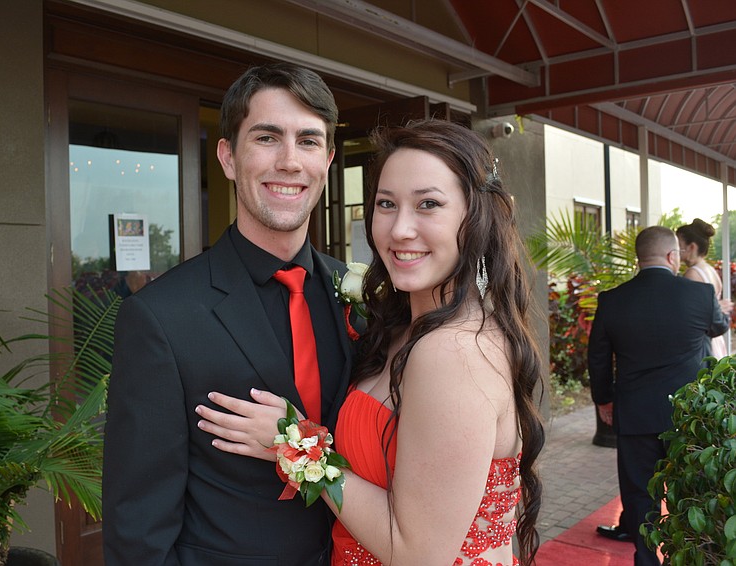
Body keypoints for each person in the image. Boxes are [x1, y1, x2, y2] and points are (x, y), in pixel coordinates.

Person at [198, 120, 545, 565]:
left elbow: (417, 555)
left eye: (428, 205)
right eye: (386, 204)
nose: (400, 229)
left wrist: (293, 445)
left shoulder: (453, 353)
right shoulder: (403, 328)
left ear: (475, 218)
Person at [103, 62, 362, 565]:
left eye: (308, 141)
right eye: (267, 137)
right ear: (227, 156)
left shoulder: (358, 296)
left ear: (327, 160)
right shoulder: (160, 317)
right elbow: (138, 525)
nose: (290, 161)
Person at [588, 225, 729, 566]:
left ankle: (646, 560)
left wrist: (604, 400)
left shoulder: (612, 300)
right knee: (690, 493)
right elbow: (718, 328)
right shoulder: (698, 295)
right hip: (688, 419)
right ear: (672, 256)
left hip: (635, 414)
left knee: (639, 494)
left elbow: (597, 357)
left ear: (639, 259)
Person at [677, 218, 732, 359]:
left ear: (692, 247)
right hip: (716, 341)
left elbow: (691, 313)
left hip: (703, 343)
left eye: (679, 245)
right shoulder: (709, 269)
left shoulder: (692, 274)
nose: (677, 251)